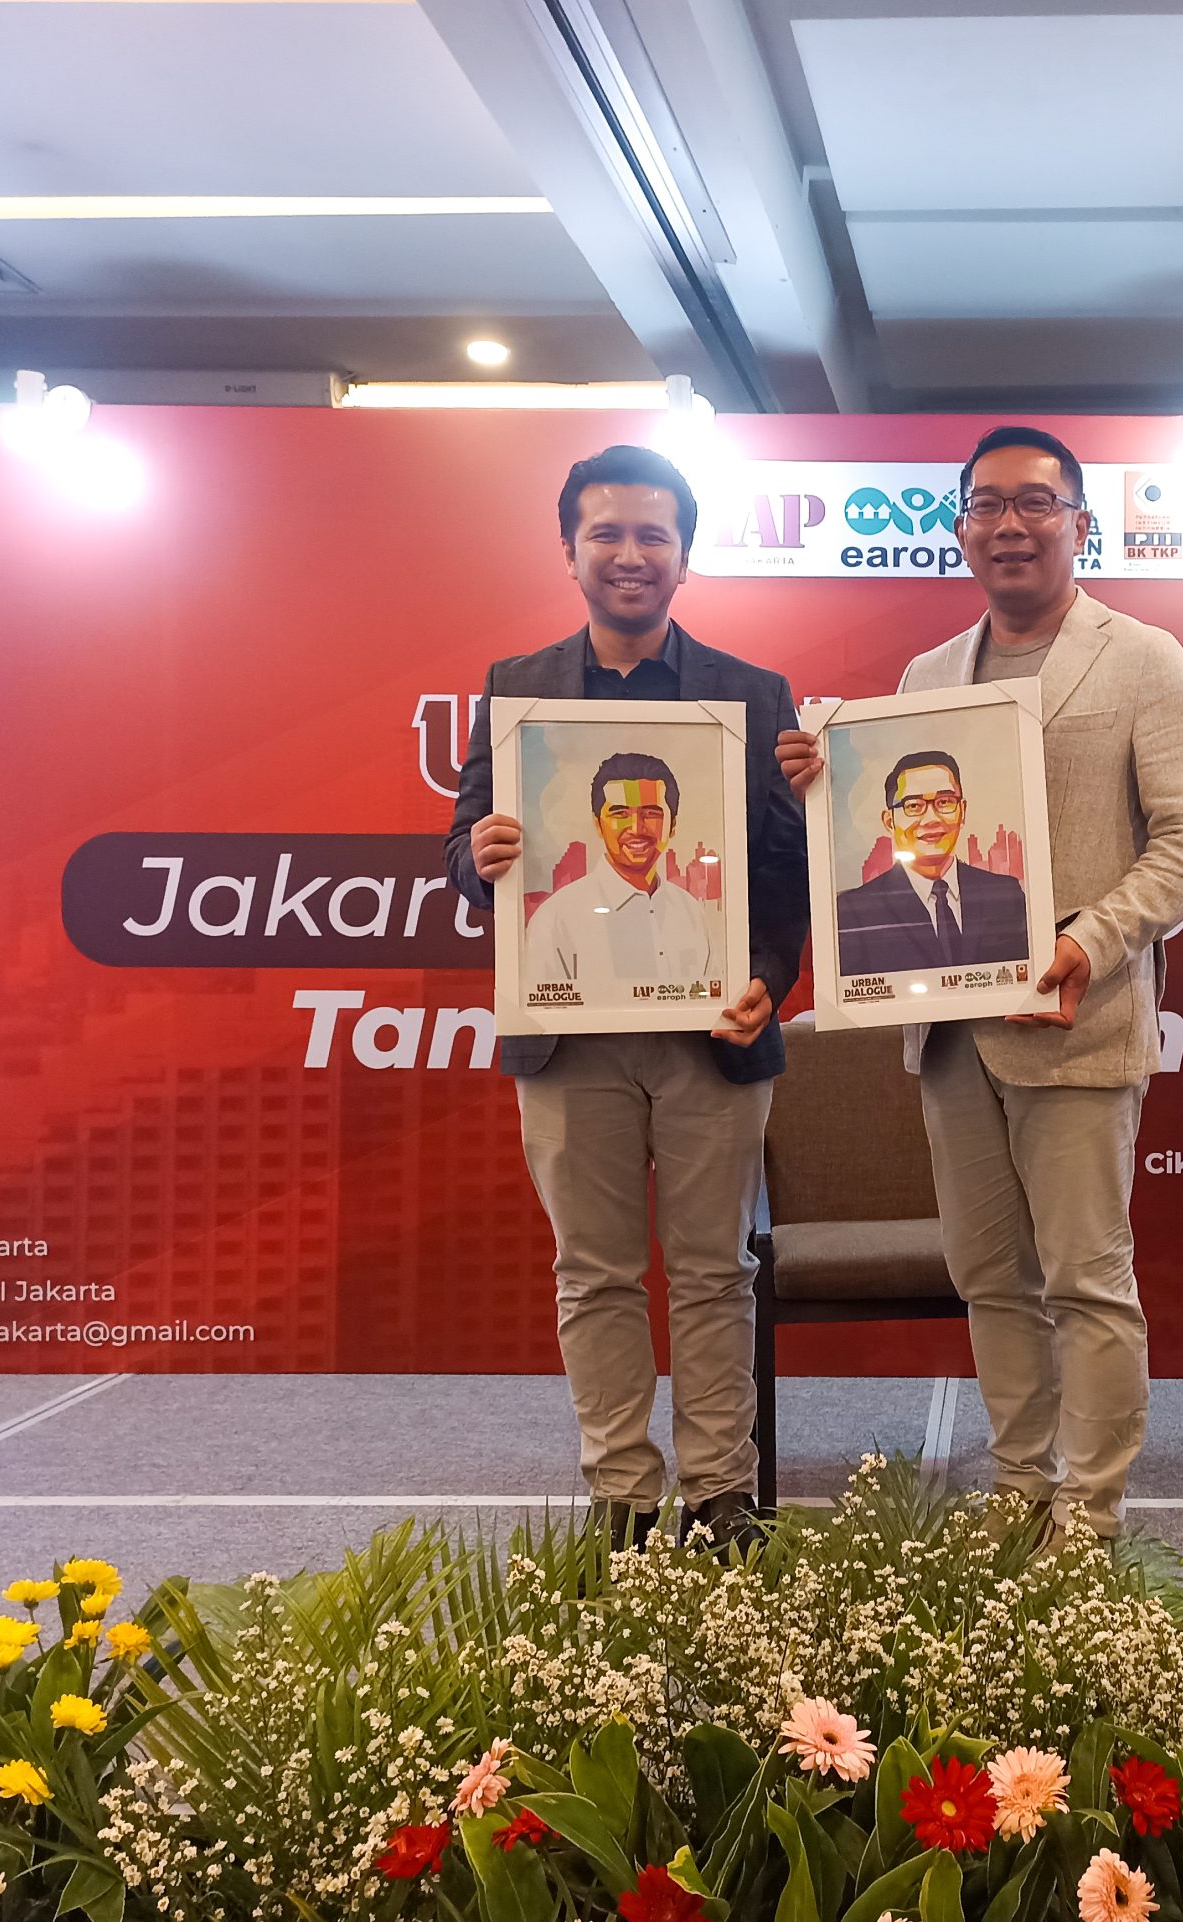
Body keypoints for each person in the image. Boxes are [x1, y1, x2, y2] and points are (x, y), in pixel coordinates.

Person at [778, 425, 1183, 1541]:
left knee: (1086, 1276)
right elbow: (892, 835)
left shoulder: (1144, 658)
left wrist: (1089, 941)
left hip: (1076, 1018)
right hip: (949, 1034)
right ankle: (1020, 1484)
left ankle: (1090, 1506)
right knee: (989, 1274)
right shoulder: (928, 676)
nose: (1010, 524)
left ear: (1081, 524)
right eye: (987, 505)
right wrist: (825, 789)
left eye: (1036, 503)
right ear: (960, 528)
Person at [447, 444, 809, 1551]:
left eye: (654, 534)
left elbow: (784, 874)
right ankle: (623, 1494)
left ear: (685, 556)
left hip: (713, 1038)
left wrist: (769, 980)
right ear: (570, 551)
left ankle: (721, 1493)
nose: (630, 553)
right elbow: (461, 852)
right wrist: (481, 853)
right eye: (605, 532)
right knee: (594, 1273)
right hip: (569, 1040)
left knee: (715, 1273)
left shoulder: (752, 695)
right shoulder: (516, 689)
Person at [520, 751, 720, 993]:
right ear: (598, 824)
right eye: (620, 814)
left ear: (673, 825)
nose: (636, 828)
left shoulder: (691, 912)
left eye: (651, 813)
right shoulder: (555, 920)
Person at [833, 750, 1028, 976]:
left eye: (944, 802)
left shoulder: (1004, 893)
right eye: (913, 806)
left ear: (962, 811)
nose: (931, 819)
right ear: (889, 821)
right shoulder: (855, 910)